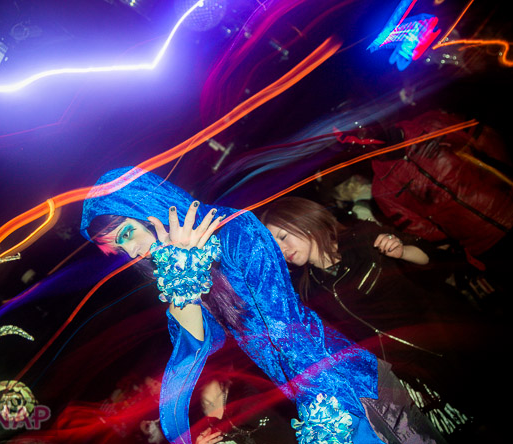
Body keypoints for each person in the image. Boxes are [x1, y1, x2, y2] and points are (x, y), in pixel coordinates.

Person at [80, 167, 446, 444]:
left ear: (147, 205)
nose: (131, 252)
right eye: (118, 248)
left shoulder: (234, 229)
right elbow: (196, 346)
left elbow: (283, 324)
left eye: (127, 233)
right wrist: (183, 275)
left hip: (347, 383)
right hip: (304, 394)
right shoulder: (175, 273)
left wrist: (324, 411)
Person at [258, 195, 503, 440]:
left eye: (283, 236)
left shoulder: (362, 238)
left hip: (450, 340)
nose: (282, 249)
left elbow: (434, 259)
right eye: (274, 245)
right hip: (412, 371)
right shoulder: (307, 289)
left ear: (304, 221)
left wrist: (402, 251)